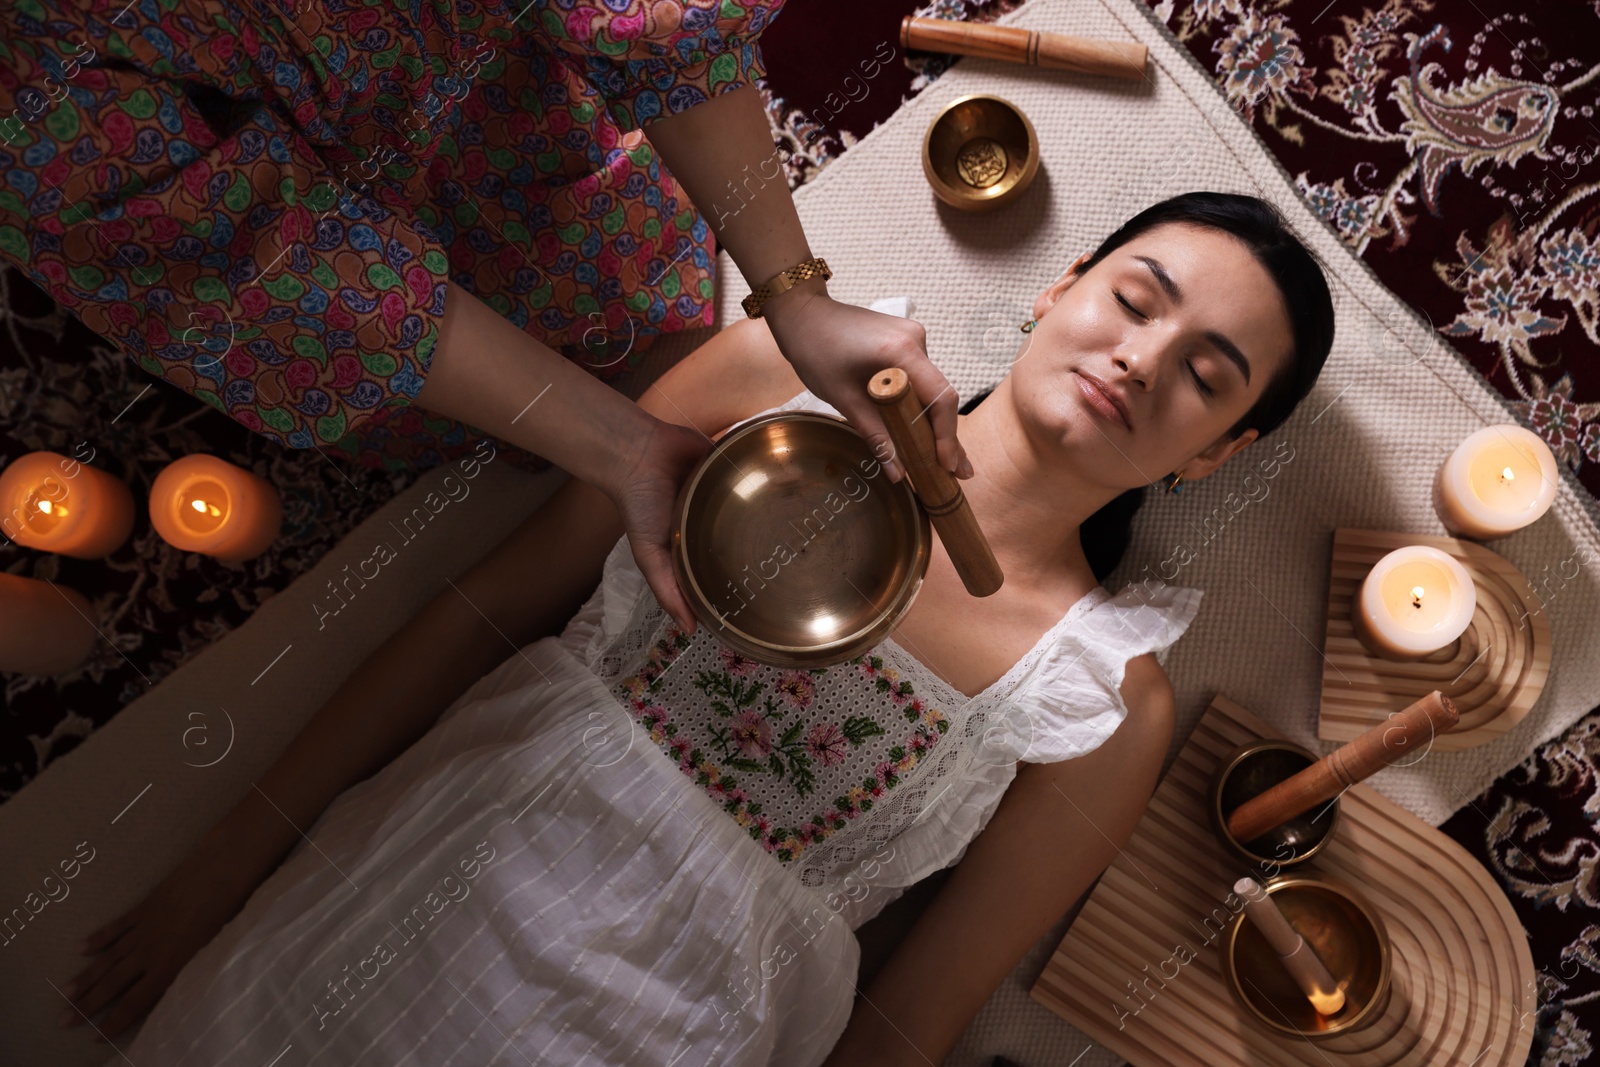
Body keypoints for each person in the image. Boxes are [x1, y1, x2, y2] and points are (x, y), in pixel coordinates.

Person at [58, 192, 1335, 1064]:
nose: (1142, 355)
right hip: (405, 898)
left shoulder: (1100, 698)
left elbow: (910, 1020)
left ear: (1218, 452)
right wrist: (219, 870)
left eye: (1207, 373)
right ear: (1060, 286)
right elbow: (483, 612)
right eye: (1136, 296)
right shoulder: (771, 381)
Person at [0, 0, 968, 634]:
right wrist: (622, 449)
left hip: (502, 105)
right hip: (292, 287)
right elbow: (250, 268)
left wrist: (795, 292)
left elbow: (643, 16)